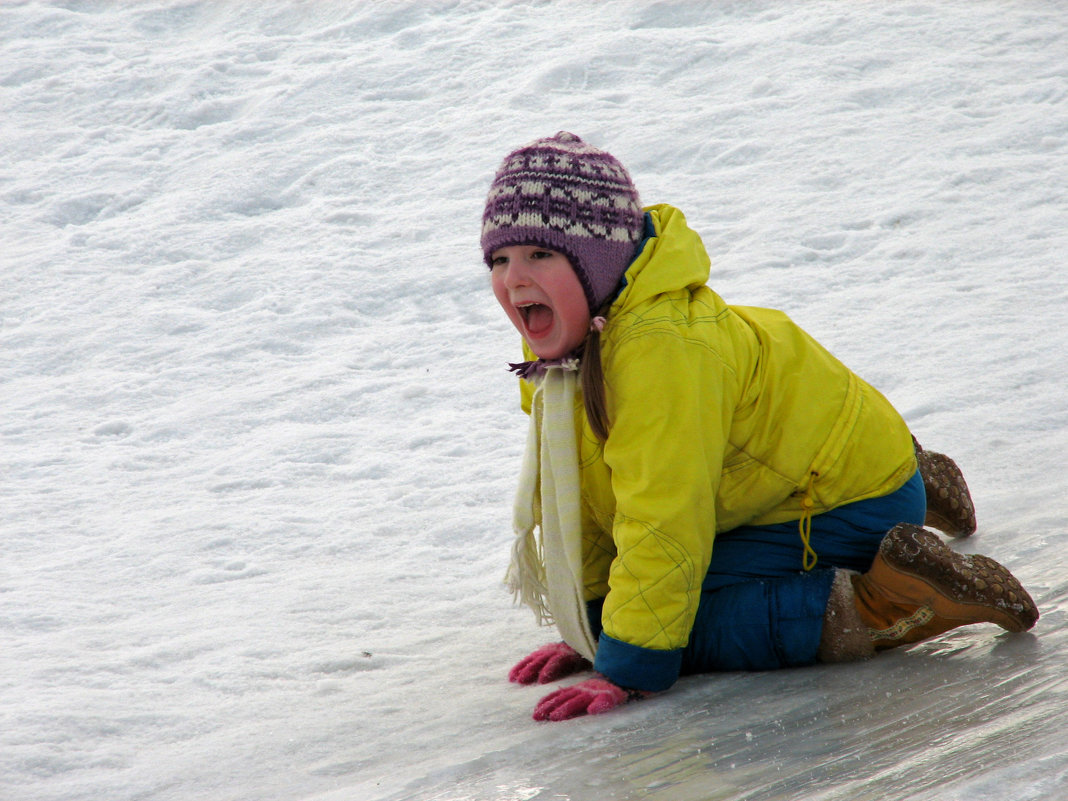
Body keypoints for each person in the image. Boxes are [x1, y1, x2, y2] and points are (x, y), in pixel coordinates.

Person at [481, 132, 1039, 723]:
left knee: (682, 626)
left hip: (836, 496)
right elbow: (589, 496)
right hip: (835, 453)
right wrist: (588, 622)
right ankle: (917, 481)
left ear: (594, 262)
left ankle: (893, 597)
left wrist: (624, 662)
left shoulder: (658, 353)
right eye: (499, 259)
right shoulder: (567, 342)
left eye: (539, 255)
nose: (514, 279)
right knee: (622, 617)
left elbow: (662, 516)